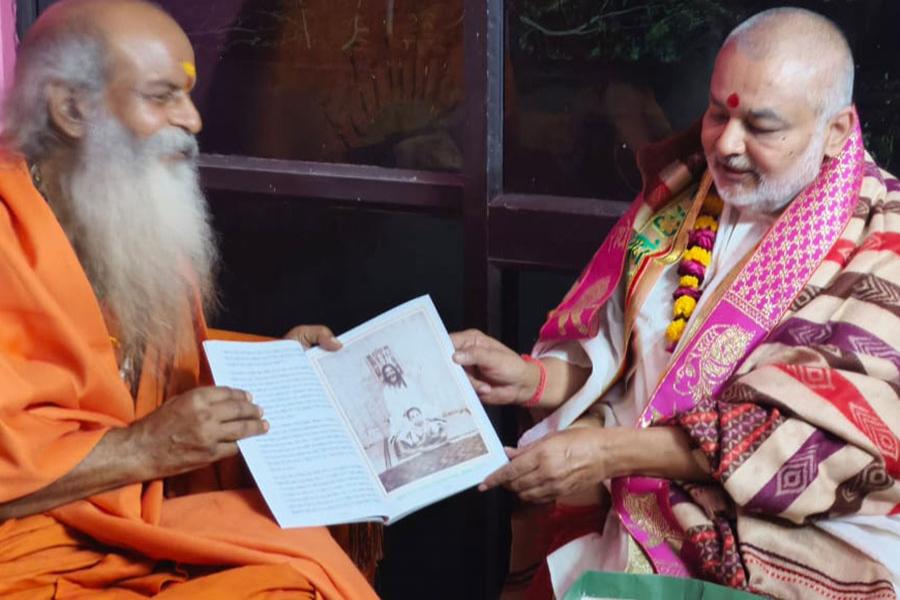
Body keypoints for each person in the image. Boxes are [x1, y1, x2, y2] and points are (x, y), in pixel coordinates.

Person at [453, 7, 900, 599]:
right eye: (717, 113)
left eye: (761, 127)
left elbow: (822, 445)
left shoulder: (883, 248)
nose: (727, 145)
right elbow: (631, 365)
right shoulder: (688, 192)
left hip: (773, 548)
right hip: (627, 511)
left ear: (837, 130)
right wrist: (531, 378)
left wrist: (608, 454)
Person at [0, 1, 377, 597]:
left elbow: (147, 371)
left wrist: (276, 370)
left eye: (189, 95)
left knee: (289, 586)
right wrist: (141, 448)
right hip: (28, 548)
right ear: (72, 109)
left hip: (134, 526)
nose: (193, 119)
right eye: (162, 96)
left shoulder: (138, 230)